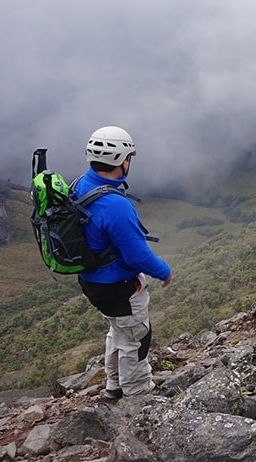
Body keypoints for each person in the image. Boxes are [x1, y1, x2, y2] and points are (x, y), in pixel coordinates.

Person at [74, 126, 172, 399]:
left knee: (118, 331)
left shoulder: (81, 185)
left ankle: (115, 385)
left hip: (93, 283)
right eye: (129, 156)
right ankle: (137, 395)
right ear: (122, 160)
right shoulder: (115, 205)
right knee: (136, 339)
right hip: (120, 286)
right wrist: (164, 271)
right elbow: (137, 256)